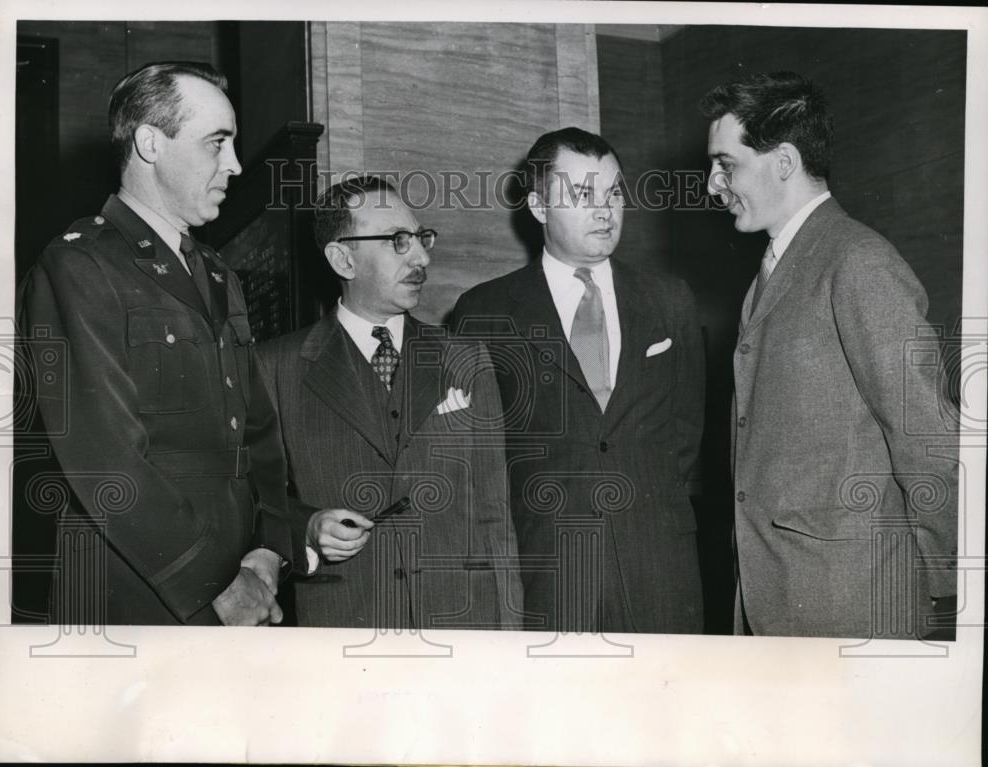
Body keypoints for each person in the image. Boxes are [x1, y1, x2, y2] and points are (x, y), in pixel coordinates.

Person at [17, 61, 292, 626]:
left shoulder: (217, 273)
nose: (236, 165)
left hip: (245, 575)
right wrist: (216, 581)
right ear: (150, 143)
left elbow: (259, 431)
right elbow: (104, 458)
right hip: (141, 585)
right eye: (217, 143)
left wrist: (269, 546)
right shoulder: (78, 264)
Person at [700, 71, 958, 638]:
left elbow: (928, 436)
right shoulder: (773, 270)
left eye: (727, 165)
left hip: (849, 603)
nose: (714, 186)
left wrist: (951, 585)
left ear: (784, 161)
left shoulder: (857, 260)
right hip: (779, 595)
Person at [451, 127, 706, 634]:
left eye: (613, 193)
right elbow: (477, 456)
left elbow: (685, 436)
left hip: (659, 567)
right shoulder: (484, 312)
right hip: (547, 569)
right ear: (539, 207)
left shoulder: (669, 300)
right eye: (583, 195)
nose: (605, 211)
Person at [256, 175, 522, 629]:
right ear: (343, 259)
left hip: (464, 628)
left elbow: (496, 517)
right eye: (398, 241)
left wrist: (511, 635)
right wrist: (308, 526)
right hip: (348, 630)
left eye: (421, 238)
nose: (421, 257)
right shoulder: (275, 367)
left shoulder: (465, 358)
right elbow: (253, 502)